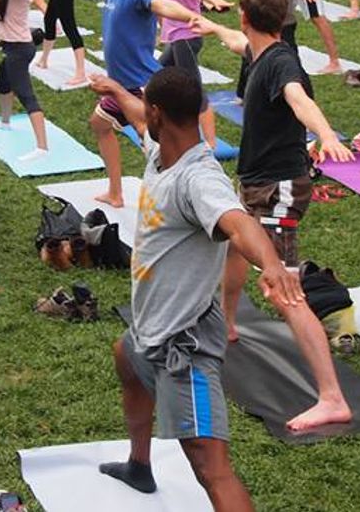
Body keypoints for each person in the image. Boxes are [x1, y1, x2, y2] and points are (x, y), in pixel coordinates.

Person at [89, 67, 311, 510]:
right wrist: (115, 89)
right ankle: (139, 464)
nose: (141, 114)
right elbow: (134, 116)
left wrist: (270, 263)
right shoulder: (161, 149)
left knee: (211, 466)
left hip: (184, 346)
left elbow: (238, 221)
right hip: (153, 325)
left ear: (160, 113)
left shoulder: (198, 178)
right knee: (125, 356)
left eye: (146, 106)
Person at [193, 0, 355, 431]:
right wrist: (209, 25)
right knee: (233, 244)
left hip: (279, 187)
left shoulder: (282, 63)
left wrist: (324, 136)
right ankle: (225, 324)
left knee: (283, 287)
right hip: (257, 182)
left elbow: (299, 100)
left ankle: (332, 397)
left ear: (248, 16)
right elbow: (237, 41)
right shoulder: (261, 49)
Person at [62, 0, 199, 208]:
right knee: (99, 124)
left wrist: (192, 17)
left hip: (140, 87)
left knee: (157, 148)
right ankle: (116, 192)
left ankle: (182, 198)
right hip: (119, 86)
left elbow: (160, 4)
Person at [140, 0, 231, 148]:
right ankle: (159, 121)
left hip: (187, 36)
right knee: (154, 75)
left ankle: (210, 142)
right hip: (177, 38)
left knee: (195, 89)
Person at [0, 0, 49, 161]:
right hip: (14, 48)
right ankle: (5, 121)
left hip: (19, 49)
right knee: (3, 80)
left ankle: (42, 147)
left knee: (26, 95)